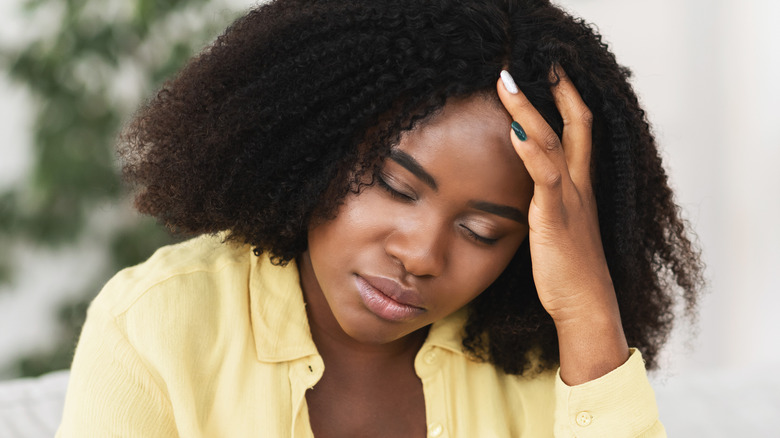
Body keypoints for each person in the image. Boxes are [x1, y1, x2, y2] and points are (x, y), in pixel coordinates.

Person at [57, 0, 703, 436]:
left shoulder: (543, 363)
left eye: (484, 231)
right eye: (395, 185)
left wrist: (588, 311)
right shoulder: (156, 326)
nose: (422, 255)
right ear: (318, 144)